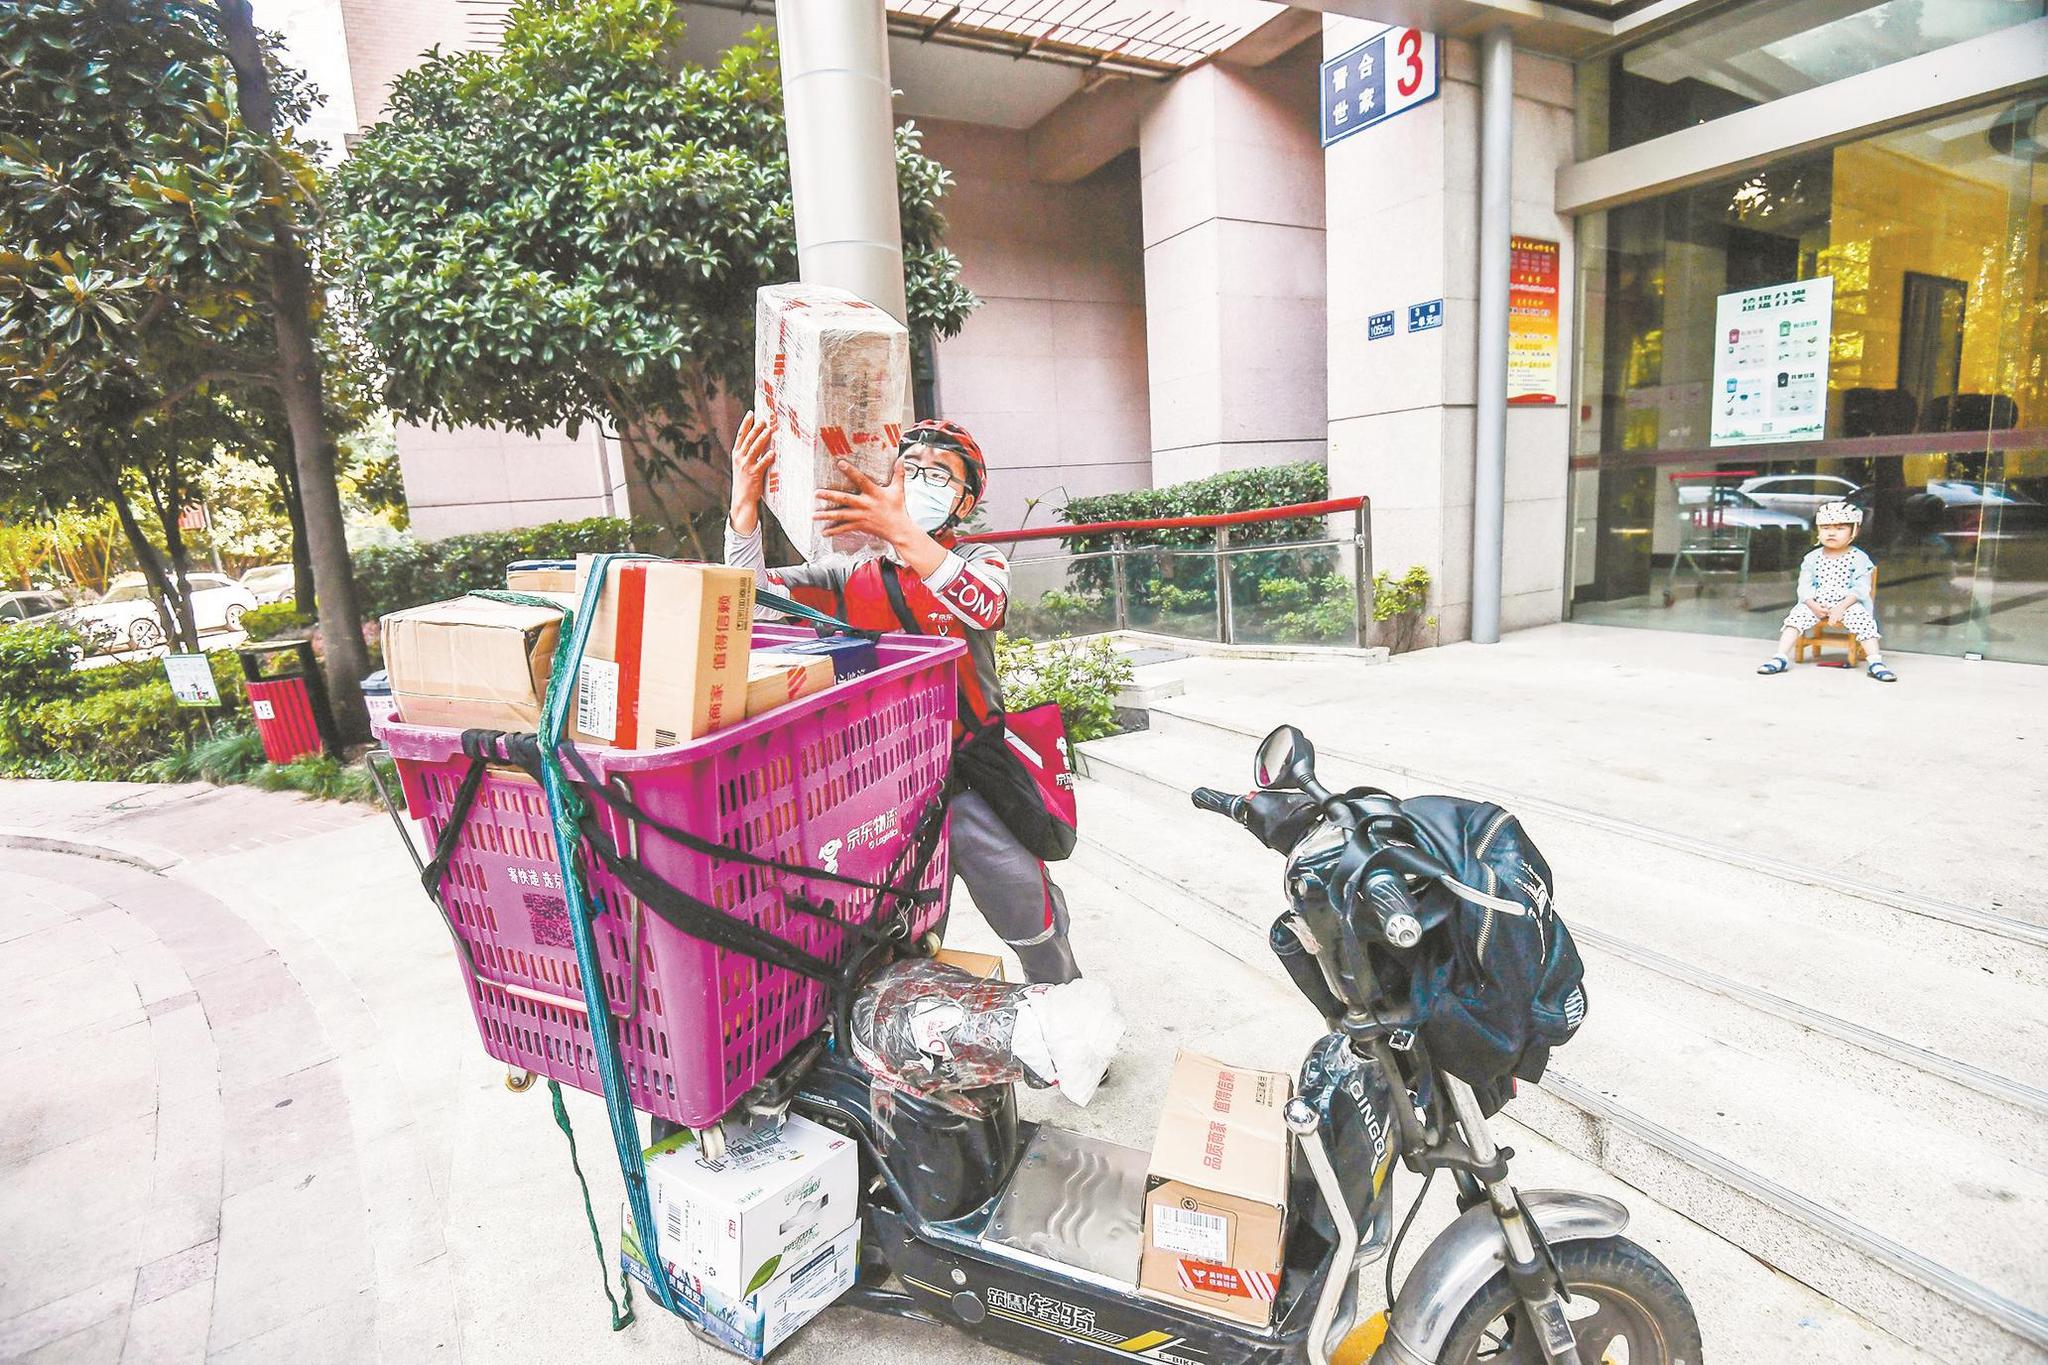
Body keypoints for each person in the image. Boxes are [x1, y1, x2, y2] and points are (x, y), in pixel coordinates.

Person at [724, 411, 1083, 984]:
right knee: (879, 922)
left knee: (1022, 903)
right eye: (908, 468)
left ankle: (1067, 1005)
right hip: (876, 782)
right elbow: (753, 602)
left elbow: (984, 607)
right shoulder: (848, 576)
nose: (918, 482)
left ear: (965, 502)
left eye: (939, 474)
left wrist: (902, 533)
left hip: (967, 773)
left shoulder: (978, 563)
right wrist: (744, 510)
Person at [1758, 500, 1897, 682]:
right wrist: (1811, 604)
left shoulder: (1858, 558)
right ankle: (1780, 657)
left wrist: (1842, 607)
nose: (1831, 533)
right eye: (1825, 528)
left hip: (1848, 603)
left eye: (1840, 528)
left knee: (1865, 624)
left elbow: (1861, 587)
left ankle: (1875, 661)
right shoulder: (1812, 558)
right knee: (1794, 621)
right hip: (1817, 603)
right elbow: (1805, 586)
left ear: (1854, 531)